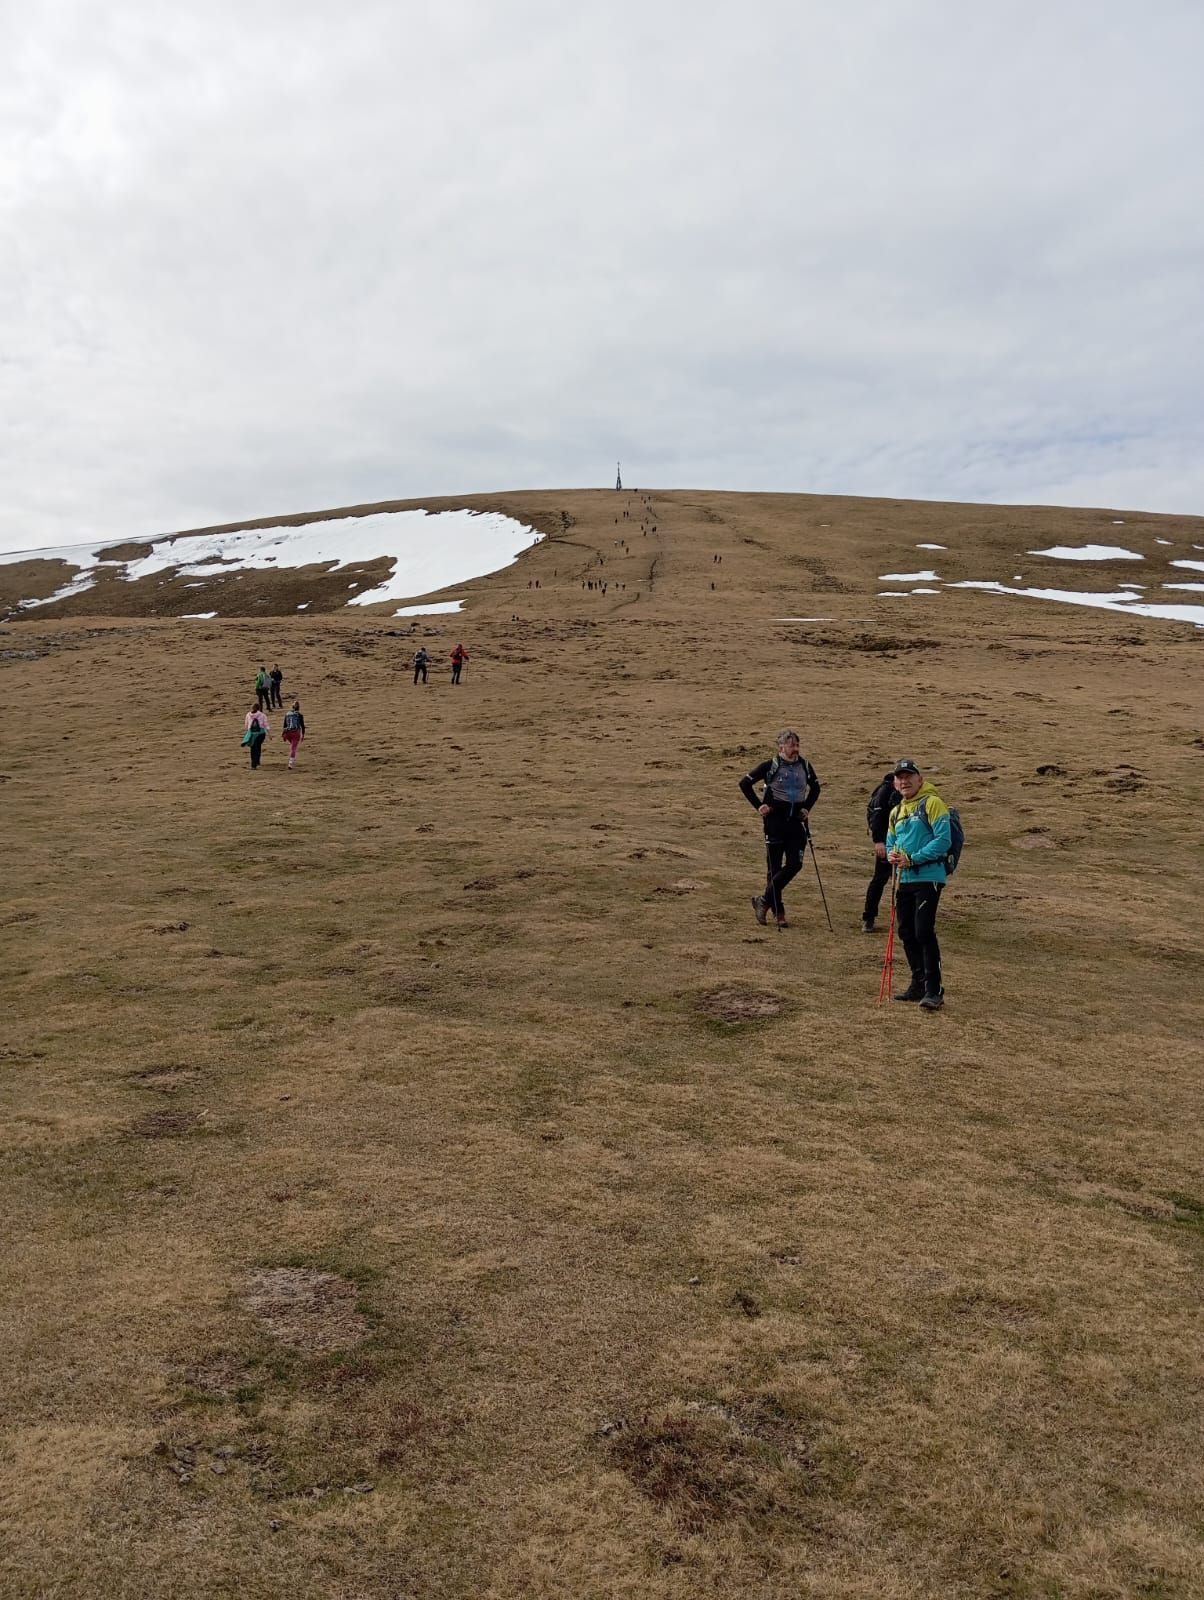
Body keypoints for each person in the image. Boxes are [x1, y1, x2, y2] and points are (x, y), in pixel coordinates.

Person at [886, 758, 951, 1010]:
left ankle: (934, 990)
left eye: (909, 776)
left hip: (928, 876)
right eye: (900, 777)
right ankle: (918, 984)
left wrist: (913, 858)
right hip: (904, 879)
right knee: (906, 932)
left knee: (923, 930)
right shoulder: (896, 811)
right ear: (895, 783)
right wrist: (892, 854)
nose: (904, 781)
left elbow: (943, 841)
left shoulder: (933, 803)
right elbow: (891, 841)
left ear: (920, 779)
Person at [739, 730, 821, 928]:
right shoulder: (770, 766)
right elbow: (745, 783)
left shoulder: (805, 766)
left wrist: (806, 808)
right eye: (792, 746)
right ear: (781, 747)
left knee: (795, 864)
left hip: (795, 823)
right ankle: (778, 911)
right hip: (774, 822)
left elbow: (816, 788)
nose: (796, 749)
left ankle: (763, 900)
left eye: (797, 745)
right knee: (774, 868)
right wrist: (759, 806)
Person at [862, 770, 899, 932]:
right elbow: (878, 817)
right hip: (886, 842)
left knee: (902, 881)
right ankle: (868, 917)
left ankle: (905, 917)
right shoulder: (886, 791)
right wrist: (878, 841)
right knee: (880, 878)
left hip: (903, 841)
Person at [242, 705, 269, 770]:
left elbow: (246, 725)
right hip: (261, 734)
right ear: (259, 708)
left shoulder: (248, 715)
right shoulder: (262, 715)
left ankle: (253, 765)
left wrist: (248, 732)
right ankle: (257, 761)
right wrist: (269, 734)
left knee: (253, 749)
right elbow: (266, 725)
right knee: (258, 746)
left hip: (252, 734)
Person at [281, 699, 305, 769]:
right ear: (299, 708)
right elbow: (302, 726)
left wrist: (283, 734)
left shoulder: (287, 714)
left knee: (292, 745)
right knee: (293, 748)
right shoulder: (300, 715)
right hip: (296, 733)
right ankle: (290, 763)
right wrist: (303, 735)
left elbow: (284, 725)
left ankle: (292, 760)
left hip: (288, 733)